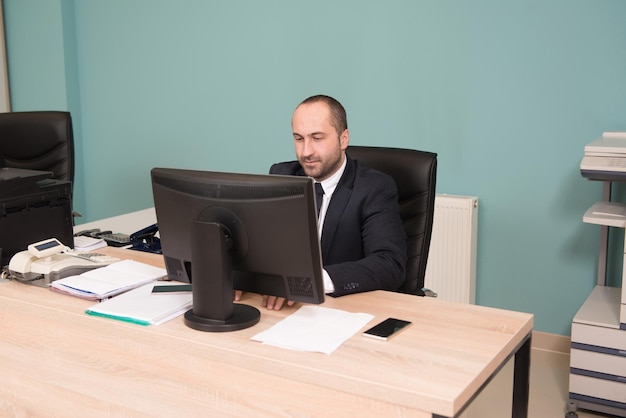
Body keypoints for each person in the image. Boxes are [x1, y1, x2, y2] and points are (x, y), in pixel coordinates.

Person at [235, 94, 407, 310]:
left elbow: (389, 264)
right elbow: (257, 244)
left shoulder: (374, 188)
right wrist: (236, 273)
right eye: (299, 138)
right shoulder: (282, 176)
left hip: (344, 311)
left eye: (317, 138)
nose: (306, 151)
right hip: (285, 310)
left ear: (343, 139)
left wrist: (311, 281)